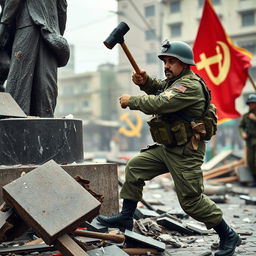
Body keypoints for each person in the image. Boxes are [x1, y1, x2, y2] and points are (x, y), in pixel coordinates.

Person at [97, 40, 241, 256]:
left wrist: (132, 100)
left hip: (185, 152)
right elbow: (159, 89)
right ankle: (126, 215)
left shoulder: (189, 86)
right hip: (167, 148)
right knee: (135, 167)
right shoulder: (175, 82)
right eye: (165, 61)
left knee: (191, 202)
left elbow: (160, 103)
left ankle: (228, 234)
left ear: (184, 64)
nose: (167, 65)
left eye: (171, 61)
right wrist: (145, 82)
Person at [0, 0, 69, 117]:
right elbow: (62, 6)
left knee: (19, 85)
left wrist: (4, 23)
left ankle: (16, 128)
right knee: (45, 89)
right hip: (51, 31)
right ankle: (45, 128)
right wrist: (56, 32)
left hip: (27, 23)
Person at [239, 93, 256, 184]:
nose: (251, 105)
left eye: (252, 103)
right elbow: (241, 126)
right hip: (250, 141)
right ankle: (254, 179)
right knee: (250, 161)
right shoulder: (246, 116)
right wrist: (243, 133)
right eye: (249, 103)